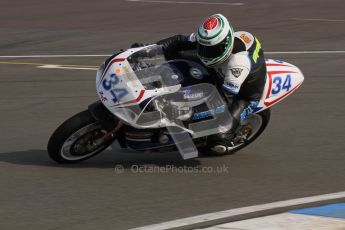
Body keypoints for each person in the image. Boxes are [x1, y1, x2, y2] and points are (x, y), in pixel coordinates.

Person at [143, 13, 266, 153]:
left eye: (212, 50)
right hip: (221, 70)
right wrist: (150, 50)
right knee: (176, 54)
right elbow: (179, 41)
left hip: (243, 95)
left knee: (219, 138)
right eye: (203, 47)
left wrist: (186, 111)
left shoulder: (238, 65)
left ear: (226, 44)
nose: (206, 53)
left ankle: (205, 140)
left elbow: (223, 101)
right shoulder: (210, 39)